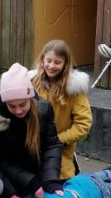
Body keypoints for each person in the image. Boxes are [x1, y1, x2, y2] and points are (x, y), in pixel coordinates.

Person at [0, 62, 63, 198]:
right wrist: (32, 183)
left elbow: (52, 145)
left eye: (22, 104)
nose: (18, 110)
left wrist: (50, 180)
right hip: (10, 178)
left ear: (30, 97)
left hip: (36, 170)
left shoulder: (44, 109)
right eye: (12, 106)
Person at [30, 40, 92, 179]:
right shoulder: (32, 82)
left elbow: (83, 123)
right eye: (49, 61)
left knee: (59, 184)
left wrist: (58, 140)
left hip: (60, 151)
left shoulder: (74, 89)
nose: (51, 66)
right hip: (34, 148)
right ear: (43, 59)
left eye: (57, 62)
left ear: (65, 64)